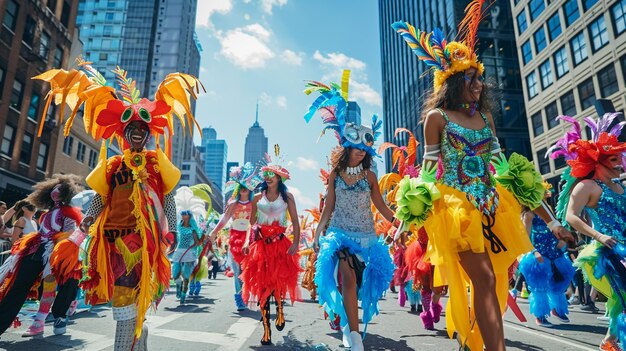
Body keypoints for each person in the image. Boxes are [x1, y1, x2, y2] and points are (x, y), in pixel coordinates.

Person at [391, 4, 573, 349]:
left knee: (493, 284)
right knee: (486, 279)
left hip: (492, 207)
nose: (479, 83)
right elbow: (429, 170)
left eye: (480, 77)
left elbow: (509, 174)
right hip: (456, 212)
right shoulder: (437, 117)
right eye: (472, 78)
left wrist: (551, 222)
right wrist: (405, 223)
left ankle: (472, 342)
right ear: (455, 82)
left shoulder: (486, 117)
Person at [34, 60, 202, 350]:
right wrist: (88, 219)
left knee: (127, 292)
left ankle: (124, 345)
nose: (137, 132)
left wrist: (171, 231)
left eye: (142, 128)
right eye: (132, 128)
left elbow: (168, 199)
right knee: (122, 293)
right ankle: (138, 334)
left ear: (148, 133)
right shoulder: (112, 165)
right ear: (124, 133)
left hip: (140, 239)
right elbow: (101, 196)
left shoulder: (155, 162)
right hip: (110, 238)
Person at [304, 70, 395, 351]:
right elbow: (328, 207)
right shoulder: (335, 174)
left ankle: (347, 324)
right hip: (340, 235)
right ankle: (355, 337)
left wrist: (399, 220)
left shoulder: (369, 177)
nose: (360, 153)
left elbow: (380, 205)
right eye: (355, 149)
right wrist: (319, 235)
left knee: (359, 286)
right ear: (346, 148)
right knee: (349, 279)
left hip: (367, 237)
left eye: (363, 150)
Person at [551, 113, 626, 351]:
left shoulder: (620, 185)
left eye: (620, 158)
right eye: (614, 159)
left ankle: (610, 340)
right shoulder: (587, 186)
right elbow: (572, 215)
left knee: (622, 299)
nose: (620, 164)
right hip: (609, 250)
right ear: (599, 161)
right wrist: (599, 236)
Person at [0, 174, 83, 337]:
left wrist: (57, 243)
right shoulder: (45, 214)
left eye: (59, 189)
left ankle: (39, 322)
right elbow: (42, 232)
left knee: (49, 283)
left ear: (66, 193)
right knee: (19, 283)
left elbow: (70, 233)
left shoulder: (68, 213)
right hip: (37, 248)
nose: (55, 191)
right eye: (53, 188)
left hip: (56, 251)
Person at [239, 147, 301, 346]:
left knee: (278, 285)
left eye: (271, 174)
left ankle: (280, 309)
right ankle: (266, 329)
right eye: (265, 174)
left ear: (279, 177)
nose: (267, 177)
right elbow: (251, 224)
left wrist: (296, 243)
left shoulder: (287, 197)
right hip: (261, 247)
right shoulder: (257, 198)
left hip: (281, 244)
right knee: (262, 287)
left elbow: (296, 223)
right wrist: (248, 243)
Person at [518, 186, 575, 327]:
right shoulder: (529, 214)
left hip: (555, 251)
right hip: (540, 253)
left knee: (560, 282)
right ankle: (540, 315)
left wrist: (562, 241)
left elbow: (557, 228)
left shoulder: (548, 210)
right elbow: (525, 236)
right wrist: (534, 253)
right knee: (540, 286)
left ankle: (557, 309)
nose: (545, 195)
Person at [208, 162, 262, 310]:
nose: (244, 190)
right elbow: (224, 219)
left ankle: (246, 293)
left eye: (246, 187)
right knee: (237, 269)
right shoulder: (233, 204)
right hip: (235, 238)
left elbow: (258, 220)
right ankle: (240, 298)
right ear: (238, 189)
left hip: (250, 239)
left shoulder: (254, 204)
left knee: (248, 269)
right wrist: (214, 232)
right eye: (241, 187)